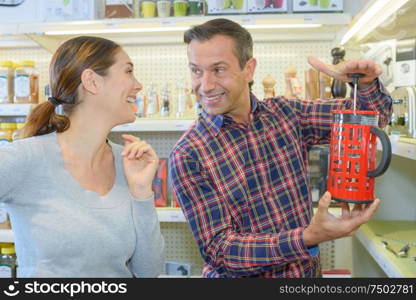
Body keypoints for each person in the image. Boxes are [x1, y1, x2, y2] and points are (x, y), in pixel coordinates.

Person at [169, 18, 392, 278]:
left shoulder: (287, 114)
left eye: (218, 69)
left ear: (249, 69)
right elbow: (221, 251)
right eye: (196, 70)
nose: (205, 85)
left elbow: (373, 117)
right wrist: (306, 238)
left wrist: (364, 84)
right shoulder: (189, 155)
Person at [0, 36, 165, 277]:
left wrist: (141, 192)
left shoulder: (128, 163)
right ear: (92, 81)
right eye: (128, 71)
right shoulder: (25, 158)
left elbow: (149, 271)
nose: (138, 85)